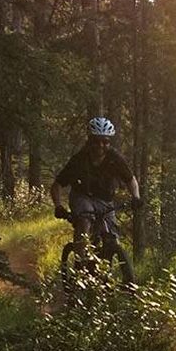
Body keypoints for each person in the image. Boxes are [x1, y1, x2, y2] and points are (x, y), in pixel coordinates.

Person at [52, 116, 142, 272]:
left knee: (113, 237)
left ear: (109, 142)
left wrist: (136, 197)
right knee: (85, 221)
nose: (100, 145)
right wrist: (58, 206)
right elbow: (57, 185)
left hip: (105, 200)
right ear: (89, 141)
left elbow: (131, 180)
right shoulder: (79, 160)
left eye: (105, 141)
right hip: (82, 196)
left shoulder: (115, 158)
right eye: (96, 141)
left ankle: (106, 274)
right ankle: (80, 265)